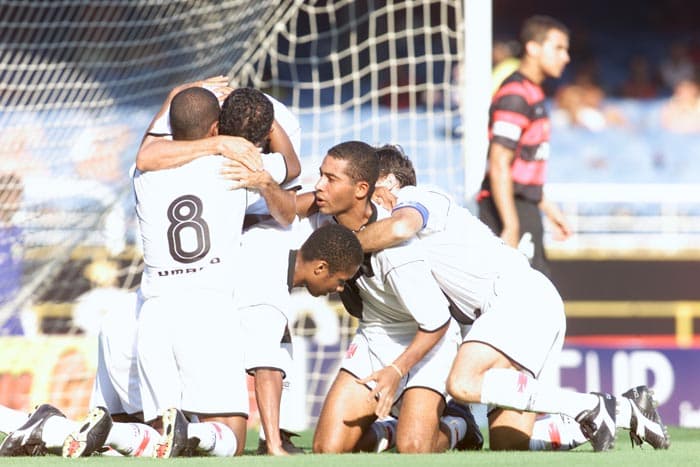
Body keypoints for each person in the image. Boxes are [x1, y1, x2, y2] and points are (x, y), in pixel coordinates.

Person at [356, 144, 670, 452]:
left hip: (515, 297)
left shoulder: (417, 197)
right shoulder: (407, 247)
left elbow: (399, 227)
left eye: (370, 189)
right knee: (511, 443)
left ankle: (593, 407)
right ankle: (626, 411)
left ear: (389, 183)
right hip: (524, 304)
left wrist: (346, 245)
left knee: (463, 382)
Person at [134, 81, 307, 456]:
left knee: (154, 437)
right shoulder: (233, 168)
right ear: (217, 128)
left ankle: (121, 436)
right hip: (208, 309)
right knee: (230, 440)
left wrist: (175, 92)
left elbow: (147, 147)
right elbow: (292, 168)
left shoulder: (144, 173)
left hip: (155, 308)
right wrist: (265, 114)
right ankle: (194, 436)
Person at [294, 141, 482, 454]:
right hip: (376, 334)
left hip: (427, 339)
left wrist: (396, 372)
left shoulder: (398, 252)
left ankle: (459, 424)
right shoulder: (324, 219)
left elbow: (437, 321)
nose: (319, 186)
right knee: (328, 449)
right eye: (320, 175)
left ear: (361, 189)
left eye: (330, 179)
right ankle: (392, 429)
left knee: (415, 446)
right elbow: (288, 208)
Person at [478, 15, 572, 277]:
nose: (566, 57)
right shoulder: (516, 95)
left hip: (523, 206)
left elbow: (523, 167)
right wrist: (510, 224)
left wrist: (549, 210)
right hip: (507, 208)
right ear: (532, 48)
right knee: (526, 302)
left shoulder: (534, 93)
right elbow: (499, 162)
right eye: (558, 48)